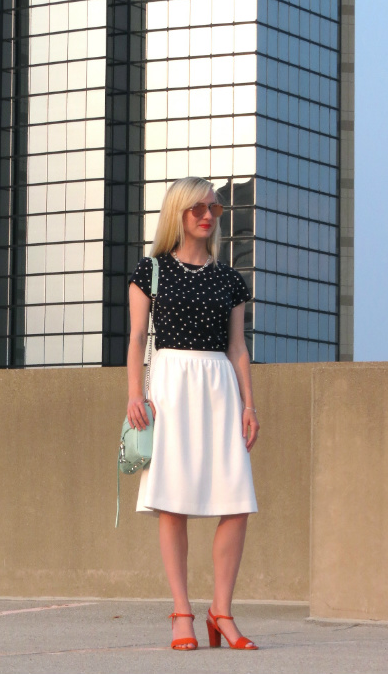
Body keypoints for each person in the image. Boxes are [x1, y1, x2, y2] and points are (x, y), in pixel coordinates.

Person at [127, 176, 260, 651]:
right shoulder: (151, 271)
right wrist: (133, 396)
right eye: (198, 208)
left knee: (237, 500)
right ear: (178, 213)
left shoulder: (230, 279)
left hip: (220, 386)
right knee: (174, 502)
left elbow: (238, 346)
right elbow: (137, 339)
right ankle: (181, 611)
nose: (208, 215)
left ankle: (220, 611)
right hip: (172, 385)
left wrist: (249, 403)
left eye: (215, 209)